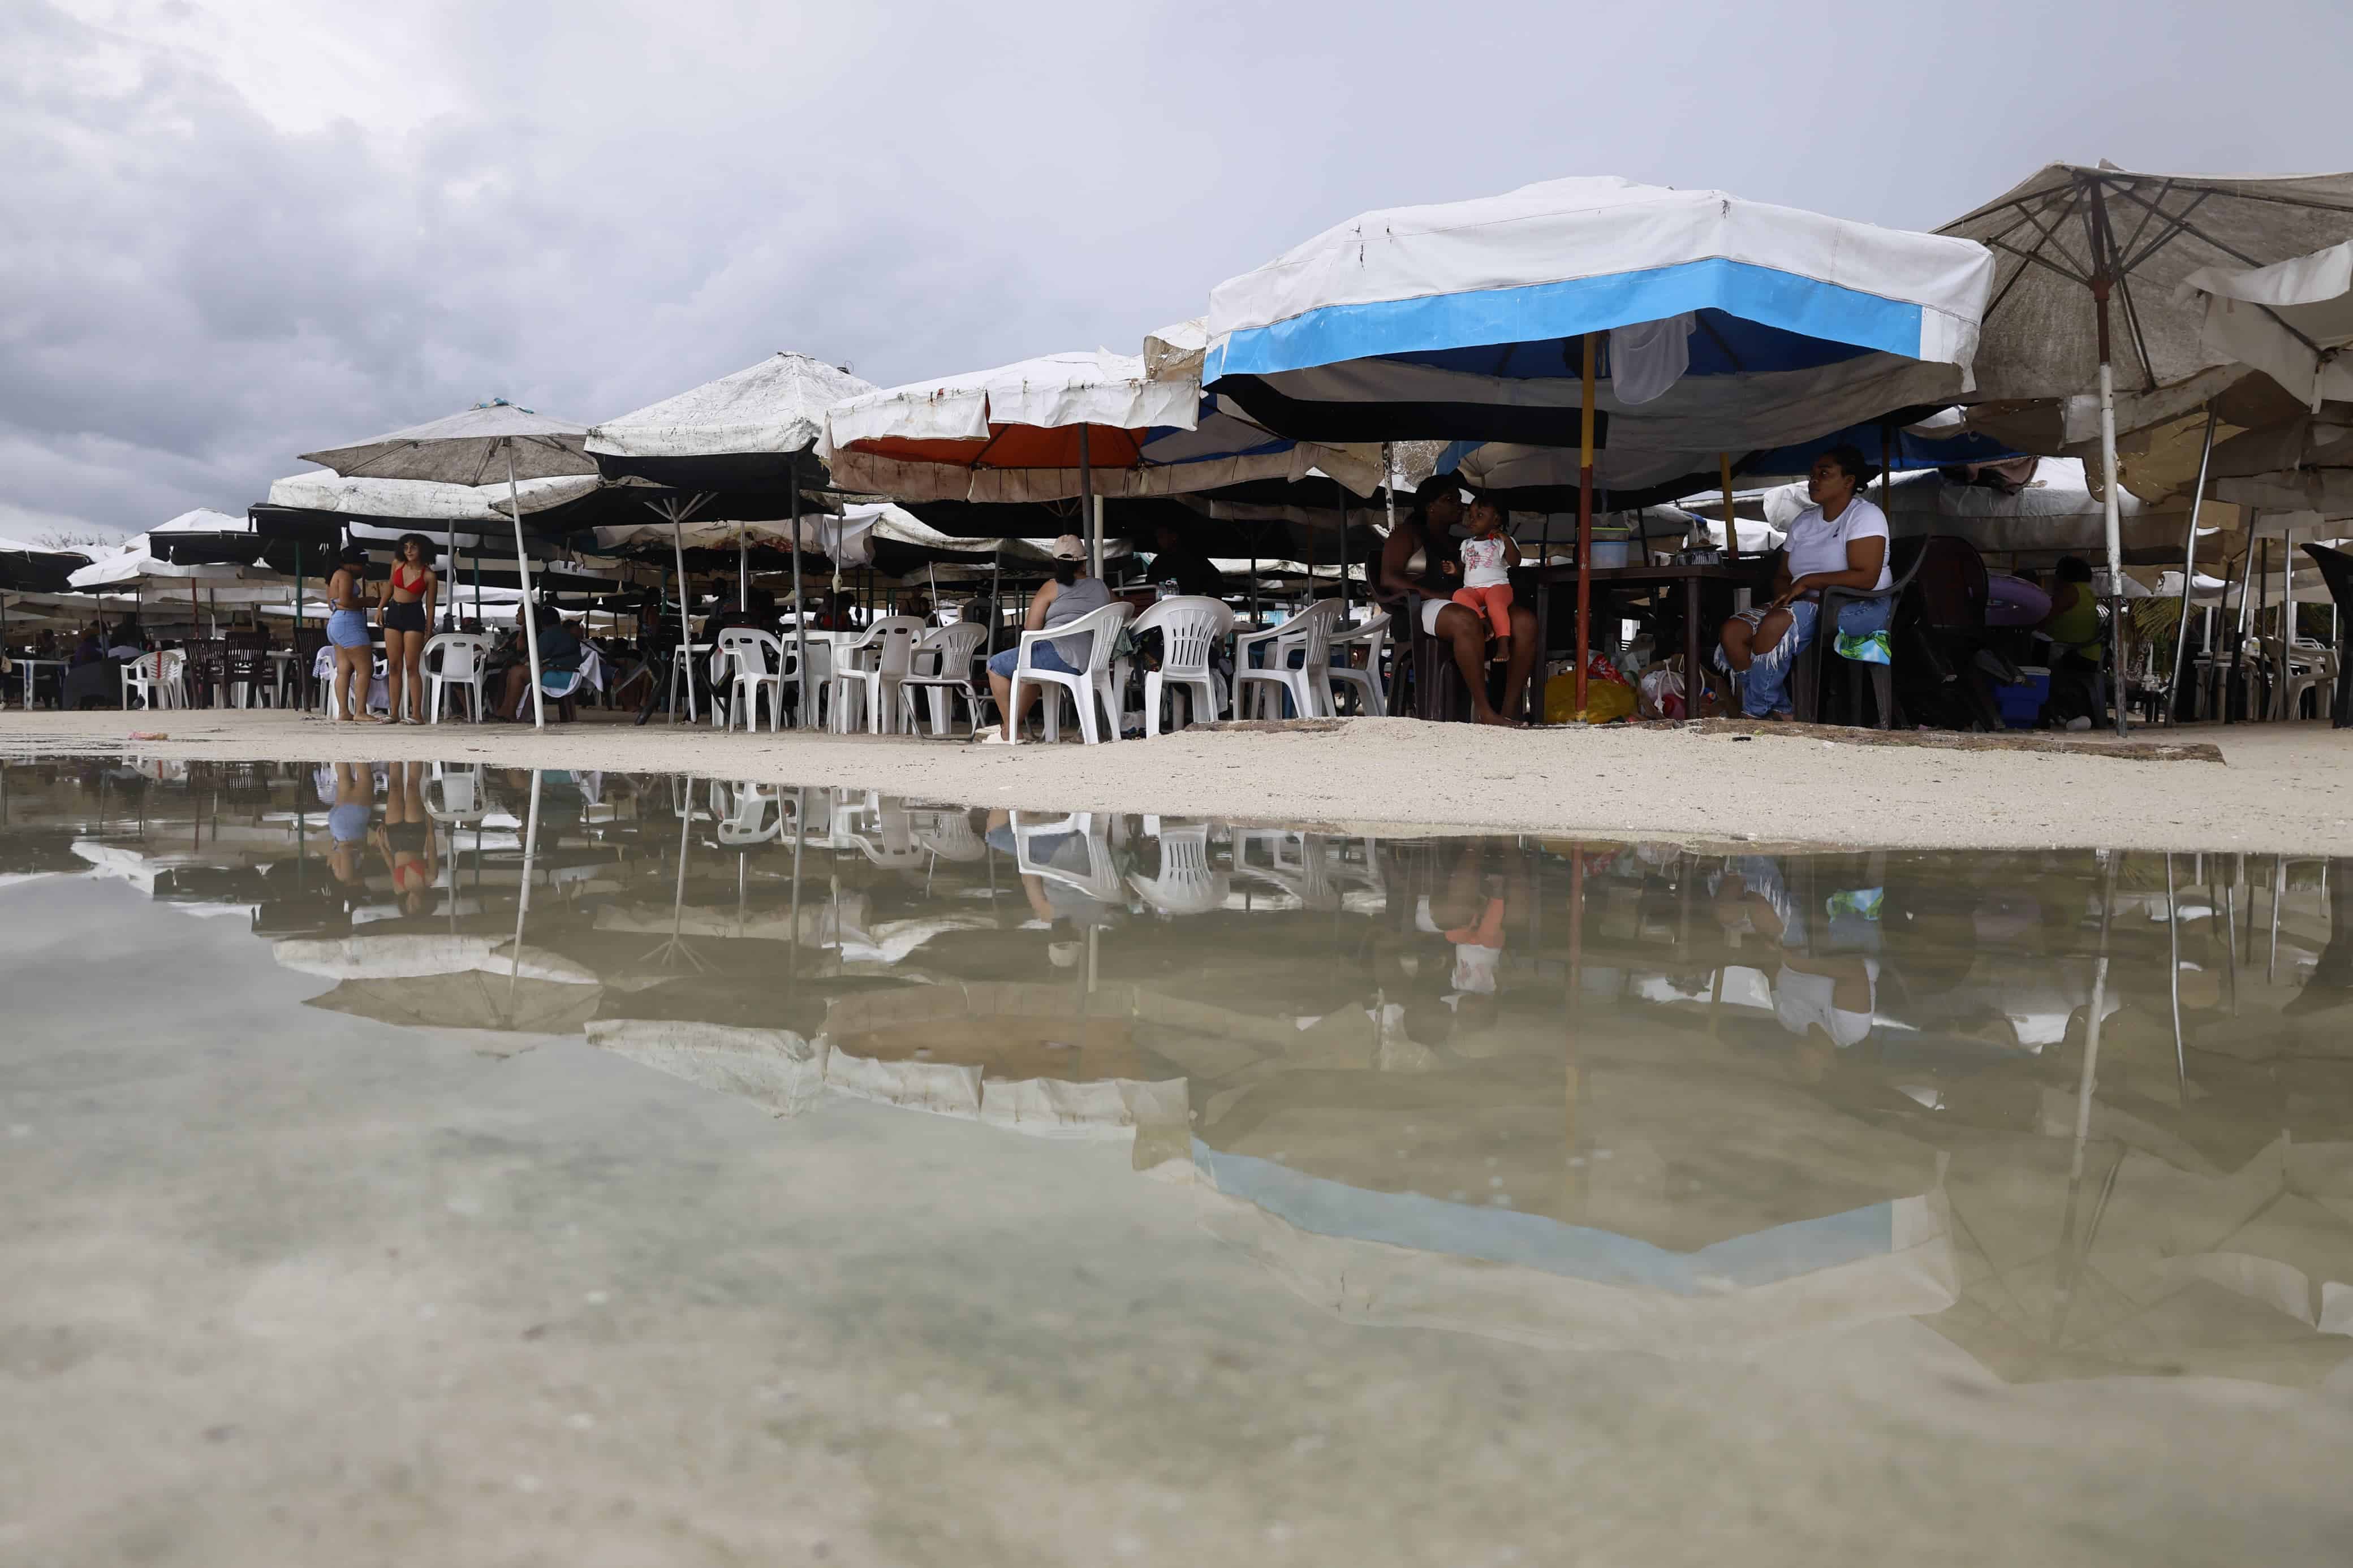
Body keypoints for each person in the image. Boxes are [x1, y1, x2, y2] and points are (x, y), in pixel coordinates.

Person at [1715, 446, 1892, 720]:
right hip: (1805, 604)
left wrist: (1810, 582)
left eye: (1824, 473)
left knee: (1776, 625)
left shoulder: (1865, 516)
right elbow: (1784, 575)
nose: (1814, 480)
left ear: (1849, 481)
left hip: (1860, 606)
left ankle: (1754, 713)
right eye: (1812, 475)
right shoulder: (1804, 522)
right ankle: (1782, 711)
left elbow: (1866, 577)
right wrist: (1787, 596)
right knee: (1733, 631)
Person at [1376, 484, 1538, 725]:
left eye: (1460, 500)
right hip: (1418, 608)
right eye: (1450, 499)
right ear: (1431, 507)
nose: (1460, 506)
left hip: (1460, 603)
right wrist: (1434, 594)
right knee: (1465, 619)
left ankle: (1507, 709)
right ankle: (1485, 711)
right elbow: (1388, 578)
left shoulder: (1461, 543)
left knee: (1524, 622)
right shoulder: (1406, 534)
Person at [979, 534, 1113, 744]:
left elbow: (1031, 628)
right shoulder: (1102, 587)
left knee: (995, 666)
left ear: (1055, 563)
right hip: (1094, 658)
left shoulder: (1052, 587)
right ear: (1085, 562)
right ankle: (1011, 728)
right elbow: (1120, 612)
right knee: (1029, 671)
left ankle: (1009, 732)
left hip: (1060, 654)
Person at [1443, 496, 1523, 662]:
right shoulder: (1467, 544)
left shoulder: (1502, 542)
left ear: (1496, 520)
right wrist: (1454, 570)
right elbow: (1464, 569)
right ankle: (1484, 622)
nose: (1472, 519)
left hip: (1498, 587)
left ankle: (1503, 645)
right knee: (1459, 595)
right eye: (1471, 515)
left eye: (1480, 516)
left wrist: (1506, 539)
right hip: (1474, 590)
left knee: (1496, 605)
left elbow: (1515, 563)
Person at [2040, 556, 2105, 731]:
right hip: (2087, 653)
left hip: (2073, 654)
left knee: (2031, 662)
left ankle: (2042, 713)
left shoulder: (2070, 591)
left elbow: (2044, 616)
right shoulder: (2087, 591)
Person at [378, 533, 437, 724]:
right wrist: (381, 607)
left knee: (412, 667)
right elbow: (389, 586)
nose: (409, 551)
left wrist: (428, 631)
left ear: (423, 550)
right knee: (394, 665)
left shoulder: (429, 575)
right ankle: (393, 712)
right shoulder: (397, 563)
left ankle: (417, 714)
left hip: (414, 615)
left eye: (414, 547)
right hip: (394, 611)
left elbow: (430, 606)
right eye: (406, 547)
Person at [491, 600, 583, 720]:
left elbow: (534, 657)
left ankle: (509, 713)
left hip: (565, 677)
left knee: (517, 673)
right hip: (568, 674)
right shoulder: (561, 633)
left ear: (542, 622)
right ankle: (507, 711)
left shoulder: (549, 635)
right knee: (515, 671)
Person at [373, 760, 439, 915]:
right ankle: (416, 751)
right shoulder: (430, 878)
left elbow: (391, 865)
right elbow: (431, 848)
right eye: (415, 906)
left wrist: (382, 845)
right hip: (414, 837)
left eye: (408, 906)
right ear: (424, 904)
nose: (411, 902)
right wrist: (430, 822)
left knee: (394, 788)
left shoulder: (399, 889)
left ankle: (395, 751)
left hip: (395, 841)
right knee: (412, 786)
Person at [324, 545, 377, 722]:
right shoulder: (345, 575)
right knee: (365, 669)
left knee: (344, 670)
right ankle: (360, 711)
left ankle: (344, 712)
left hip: (336, 622)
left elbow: (334, 603)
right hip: (349, 623)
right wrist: (367, 601)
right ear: (351, 564)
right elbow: (346, 601)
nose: (362, 571)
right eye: (361, 566)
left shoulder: (333, 577)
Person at [1147, 520, 1227, 599]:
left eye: (1162, 536)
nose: (1159, 541)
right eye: (1158, 537)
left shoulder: (1194, 558)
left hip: (1192, 605)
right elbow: (1149, 587)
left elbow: (1216, 581)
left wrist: (1208, 602)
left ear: (1174, 536)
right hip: (1166, 607)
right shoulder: (1158, 563)